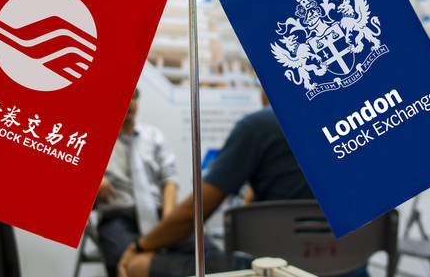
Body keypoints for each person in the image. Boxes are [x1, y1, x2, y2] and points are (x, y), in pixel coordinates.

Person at [117, 93, 370, 277]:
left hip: (277, 270)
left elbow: (194, 214)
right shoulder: (357, 119)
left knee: (138, 266)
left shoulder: (257, 126)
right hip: (353, 266)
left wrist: (139, 247)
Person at [96, 88, 179, 277]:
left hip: (159, 213)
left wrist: (168, 219)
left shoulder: (154, 136)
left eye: (134, 97)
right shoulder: (98, 137)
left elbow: (170, 179)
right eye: (126, 96)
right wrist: (94, 179)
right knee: (125, 262)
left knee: (203, 249)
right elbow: (74, 170)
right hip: (118, 215)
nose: (131, 102)